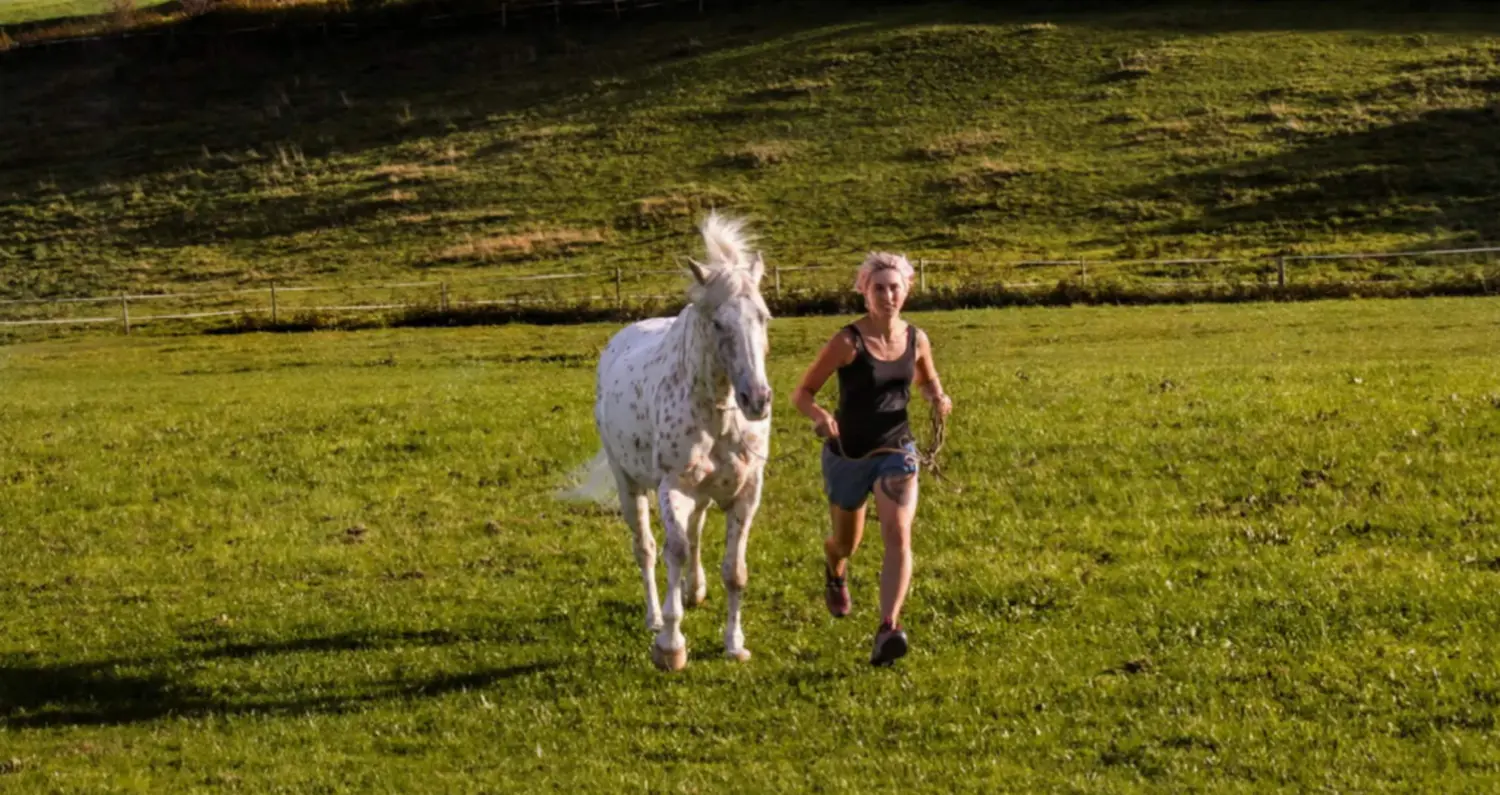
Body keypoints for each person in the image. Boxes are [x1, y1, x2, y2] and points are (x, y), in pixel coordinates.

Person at [790, 252, 954, 666]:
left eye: (895, 286)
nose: (888, 294)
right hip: (849, 453)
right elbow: (802, 393)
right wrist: (821, 416)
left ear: (907, 290)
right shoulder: (847, 342)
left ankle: (888, 627)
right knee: (847, 542)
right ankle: (834, 568)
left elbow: (927, 378)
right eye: (878, 287)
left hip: (897, 449)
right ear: (864, 291)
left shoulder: (917, 339)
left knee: (899, 533)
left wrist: (937, 396)